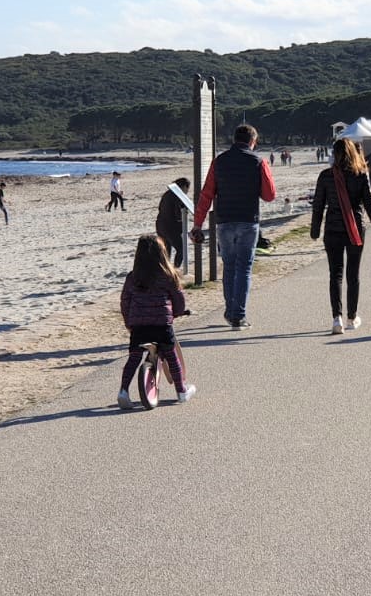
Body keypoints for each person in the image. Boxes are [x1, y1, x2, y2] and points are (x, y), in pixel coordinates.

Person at [190, 124, 277, 329]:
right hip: (248, 220)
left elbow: (206, 194)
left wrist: (197, 224)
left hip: (225, 221)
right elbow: (269, 195)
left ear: (234, 139)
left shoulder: (219, 161)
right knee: (244, 268)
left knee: (229, 266)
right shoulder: (258, 162)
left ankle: (231, 311)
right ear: (252, 141)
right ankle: (238, 315)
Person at [310, 139, 371, 334]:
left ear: (333, 154)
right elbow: (370, 204)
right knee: (353, 274)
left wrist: (315, 230)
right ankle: (352, 318)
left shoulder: (326, 176)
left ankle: (336, 319)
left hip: (332, 230)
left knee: (334, 274)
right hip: (354, 230)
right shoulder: (359, 175)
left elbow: (318, 205)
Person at [117, 234, 195, 408]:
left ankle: (123, 391)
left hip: (139, 325)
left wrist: (128, 321)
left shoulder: (133, 277)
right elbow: (178, 299)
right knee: (171, 355)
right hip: (161, 324)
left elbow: (125, 301)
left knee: (133, 357)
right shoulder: (168, 275)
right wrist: (178, 312)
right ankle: (181, 390)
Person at [154, 177, 191, 268]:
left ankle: (166, 271)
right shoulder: (178, 196)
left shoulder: (167, 194)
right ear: (183, 187)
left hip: (160, 225)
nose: (187, 191)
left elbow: (160, 208)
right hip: (171, 227)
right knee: (181, 249)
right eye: (187, 188)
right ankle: (175, 269)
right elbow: (178, 215)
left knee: (166, 251)